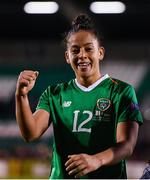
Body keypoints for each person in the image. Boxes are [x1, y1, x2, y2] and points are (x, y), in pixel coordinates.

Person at [15, 14, 143, 179]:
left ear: (100, 53)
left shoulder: (122, 92)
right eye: (75, 50)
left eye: (89, 49)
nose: (82, 55)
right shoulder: (54, 93)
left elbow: (127, 145)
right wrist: (21, 96)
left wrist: (96, 160)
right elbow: (30, 134)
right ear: (68, 57)